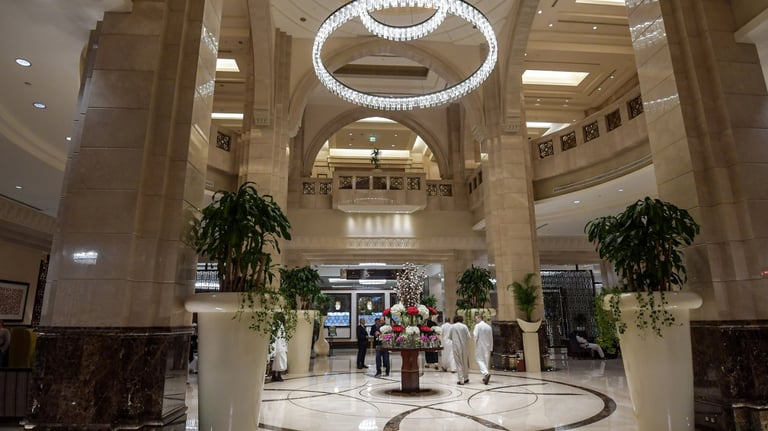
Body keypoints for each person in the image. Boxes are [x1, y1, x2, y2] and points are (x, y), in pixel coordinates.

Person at [448, 315, 470, 385]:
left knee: (458, 363)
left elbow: (450, 337)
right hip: (464, 346)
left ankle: (461, 379)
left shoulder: (453, 327)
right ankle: (466, 378)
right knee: (465, 362)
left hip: (456, 346)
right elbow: (468, 336)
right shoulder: (464, 326)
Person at [473, 314, 493, 385]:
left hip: (480, 346)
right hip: (487, 346)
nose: (475, 320)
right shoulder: (488, 327)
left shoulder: (477, 326)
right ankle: (485, 377)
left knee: (479, 360)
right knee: (485, 361)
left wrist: (475, 344)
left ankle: (486, 374)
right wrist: (491, 347)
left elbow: (475, 336)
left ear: (479, 318)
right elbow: (491, 338)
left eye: (476, 319)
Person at [269, 317, 288, 382]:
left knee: (280, 361)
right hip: (277, 345)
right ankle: (274, 376)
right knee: (277, 361)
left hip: (280, 346)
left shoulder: (280, 324)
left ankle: (278, 375)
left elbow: (283, 336)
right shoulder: (276, 324)